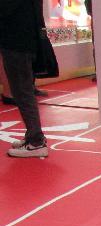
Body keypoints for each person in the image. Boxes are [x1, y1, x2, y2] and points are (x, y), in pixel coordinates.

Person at [0, 0, 48, 157]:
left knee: (22, 92)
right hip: (24, 41)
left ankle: (36, 141)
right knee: (23, 91)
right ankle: (33, 136)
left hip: (16, 43)